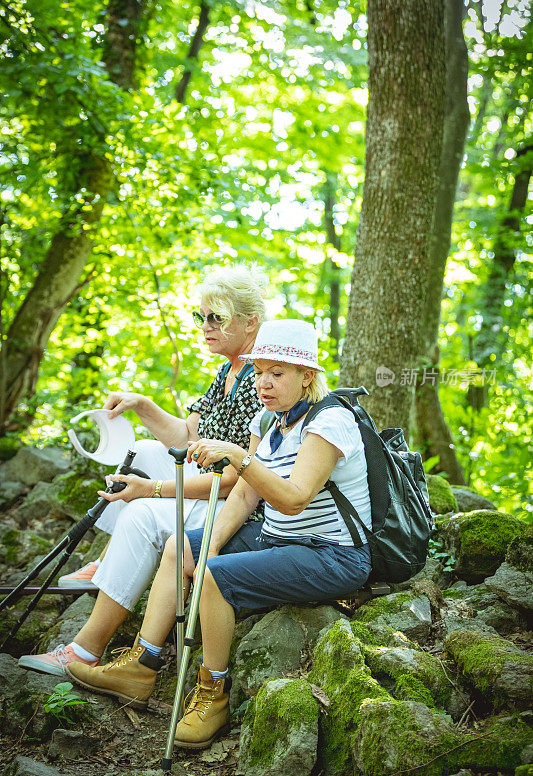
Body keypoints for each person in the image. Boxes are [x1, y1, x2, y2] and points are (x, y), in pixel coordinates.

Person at [65, 319, 372, 750]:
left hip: (331, 554)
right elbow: (244, 498)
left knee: (213, 576)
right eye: (259, 370)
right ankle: (140, 664)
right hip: (275, 537)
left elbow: (294, 499)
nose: (264, 382)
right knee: (180, 549)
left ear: (308, 377)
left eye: (277, 373)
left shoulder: (330, 420)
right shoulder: (271, 419)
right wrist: (205, 543)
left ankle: (214, 693)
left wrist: (240, 459)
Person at [18, 265, 268, 676]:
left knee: (141, 512)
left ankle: (85, 650)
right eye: (200, 317)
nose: (204, 327)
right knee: (148, 447)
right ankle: (111, 558)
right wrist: (141, 404)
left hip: (235, 506)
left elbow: (237, 479)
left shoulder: (259, 379)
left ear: (250, 321)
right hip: (211, 486)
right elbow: (187, 437)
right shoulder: (227, 370)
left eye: (216, 318)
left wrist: (152, 490)